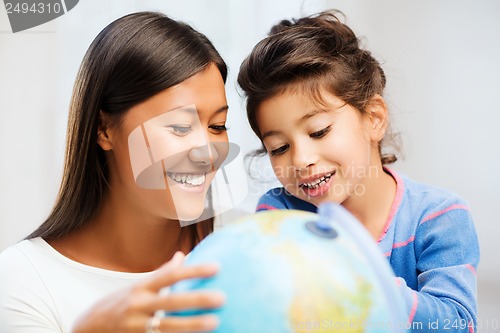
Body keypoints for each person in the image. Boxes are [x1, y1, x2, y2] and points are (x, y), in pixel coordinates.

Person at [237, 11, 479, 332]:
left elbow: (457, 324)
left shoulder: (439, 216)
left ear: (374, 118)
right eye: (279, 148)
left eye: (319, 131)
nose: (301, 159)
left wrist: (358, 279)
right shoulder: (280, 214)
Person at [0, 11, 230, 333]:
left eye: (218, 126)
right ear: (104, 129)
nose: (208, 153)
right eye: (179, 127)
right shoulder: (25, 279)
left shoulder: (248, 246)